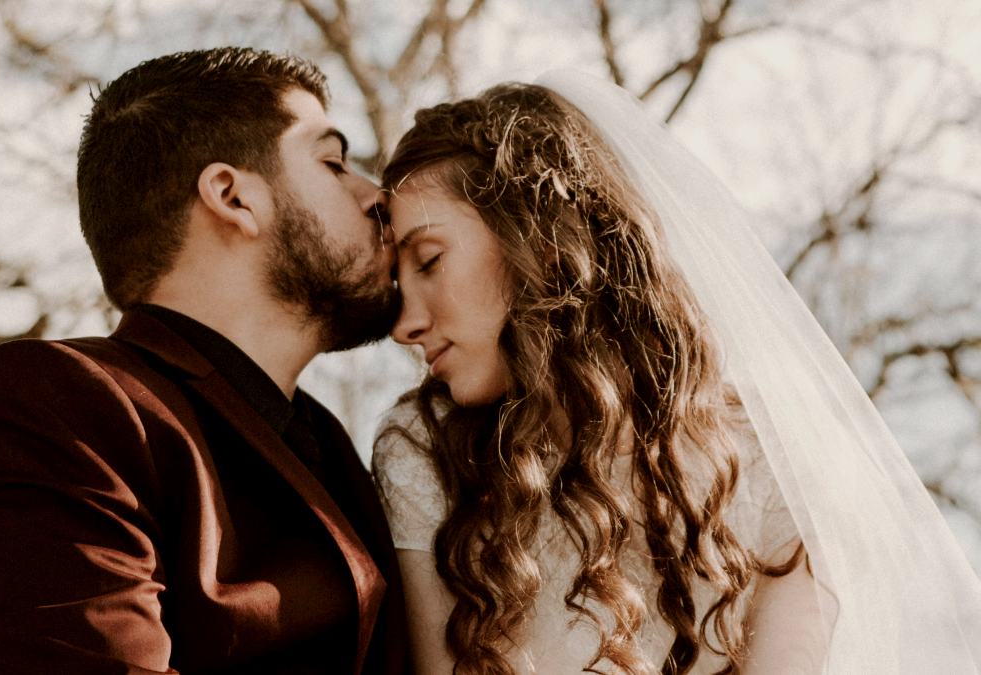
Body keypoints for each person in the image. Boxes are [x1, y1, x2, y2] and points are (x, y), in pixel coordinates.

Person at [372, 73, 981, 674]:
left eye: (429, 260)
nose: (404, 323)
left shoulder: (764, 459)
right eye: (399, 282)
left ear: (541, 240)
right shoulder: (425, 451)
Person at [0, 47, 409, 674]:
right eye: (332, 163)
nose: (376, 195)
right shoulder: (51, 406)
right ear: (232, 196)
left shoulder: (339, 448)